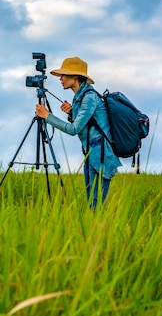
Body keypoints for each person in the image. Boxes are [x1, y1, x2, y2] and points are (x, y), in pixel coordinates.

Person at [35, 57, 121, 209]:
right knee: (91, 205)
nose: (60, 79)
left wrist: (47, 116)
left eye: (64, 75)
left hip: (100, 155)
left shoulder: (89, 98)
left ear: (75, 76)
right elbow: (89, 124)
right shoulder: (80, 97)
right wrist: (71, 114)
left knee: (96, 207)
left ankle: (101, 231)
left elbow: (74, 130)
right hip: (91, 153)